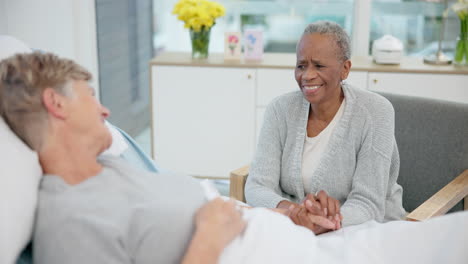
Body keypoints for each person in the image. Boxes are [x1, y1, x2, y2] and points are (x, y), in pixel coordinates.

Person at [2, 51, 468, 264]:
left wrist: (292, 219)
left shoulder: (115, 168)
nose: (104, 109)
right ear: (56, 104)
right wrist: (209, 236)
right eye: (91, 96)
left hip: (303, 243)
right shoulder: (69, 220)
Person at [245, 20, 406, 233]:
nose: (307, 75)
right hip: (295, 230)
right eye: (301, 65)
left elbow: (368, 204)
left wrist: (323, 223)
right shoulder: (280, 110)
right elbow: (257, 186)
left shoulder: (376, 112)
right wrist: (296, 214)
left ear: (345, 69)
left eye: (319, 66)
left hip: (363, 232)